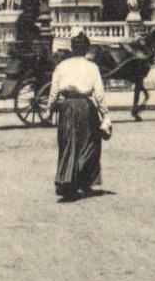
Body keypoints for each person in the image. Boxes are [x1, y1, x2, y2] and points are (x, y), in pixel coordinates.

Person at [48, 31, 112, 201]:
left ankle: (66, 180)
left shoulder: (62, 66)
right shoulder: (92, 67)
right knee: (90, 143)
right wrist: (105, 115)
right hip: (85, 106)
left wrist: (50, 108)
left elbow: (54, 91)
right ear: (86, 49)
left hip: (67, 106)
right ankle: (83, 180)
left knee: (68, 142)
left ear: (72, 48)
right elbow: (99, 94)